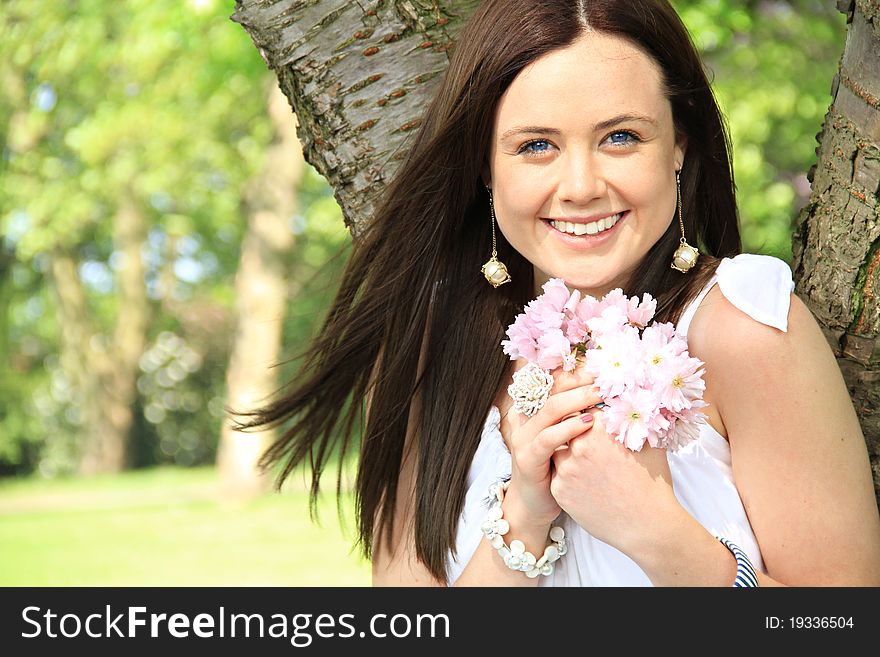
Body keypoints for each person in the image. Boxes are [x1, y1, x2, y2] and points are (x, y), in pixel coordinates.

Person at [243, 0, 880, 586]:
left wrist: (657, 534)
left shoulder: (745, 330)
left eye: (620, 137)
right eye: (537, 146)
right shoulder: (430, 346)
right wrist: (523, 513)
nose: (579, 186)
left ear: (679, 147)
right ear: (486, 168)